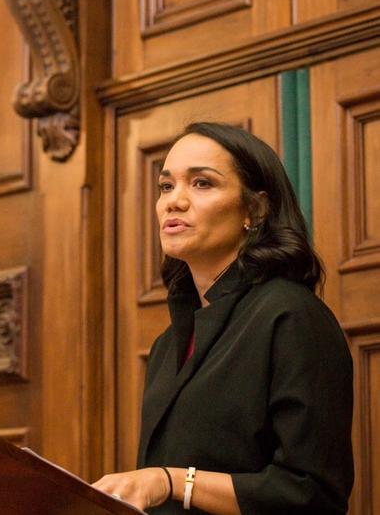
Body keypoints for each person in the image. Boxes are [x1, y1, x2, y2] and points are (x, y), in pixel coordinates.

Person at [93, 122, 353, 514]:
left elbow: (311, 493)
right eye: (166, 186)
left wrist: (171, 481)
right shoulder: (167, 344)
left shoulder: (292, 316)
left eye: (201, 184)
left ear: (256, 209)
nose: (173, 202)